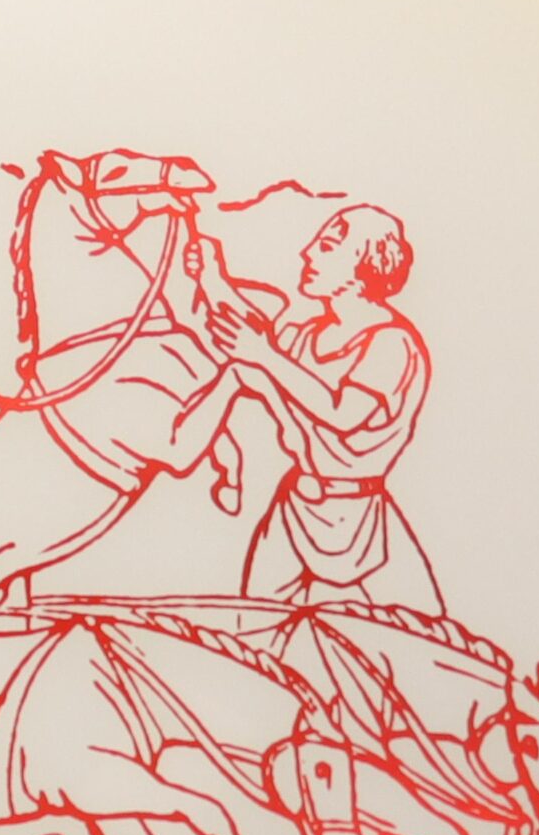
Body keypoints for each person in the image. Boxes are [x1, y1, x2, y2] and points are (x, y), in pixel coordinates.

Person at [179, 205, 443, 613]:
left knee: (429, 632)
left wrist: (264, 356)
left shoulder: (391, 344)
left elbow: (342, 414)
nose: (307, 253)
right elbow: (254, 339)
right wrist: (212, 279)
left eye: (328, 245)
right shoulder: (305, 337)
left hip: (366, 520)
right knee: (252, 622)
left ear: (366, 262)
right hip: (296, 508)